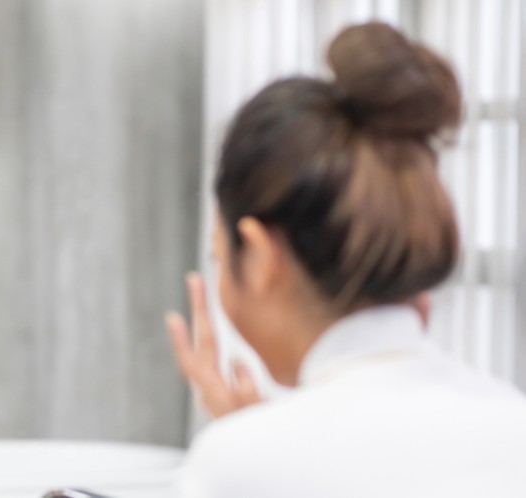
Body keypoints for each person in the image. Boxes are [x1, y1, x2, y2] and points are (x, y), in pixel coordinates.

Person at [164, 22, 526, 497]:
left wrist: (254, 447)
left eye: (218, 256)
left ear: (257, 256)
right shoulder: (513, 426)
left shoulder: (235, 467)